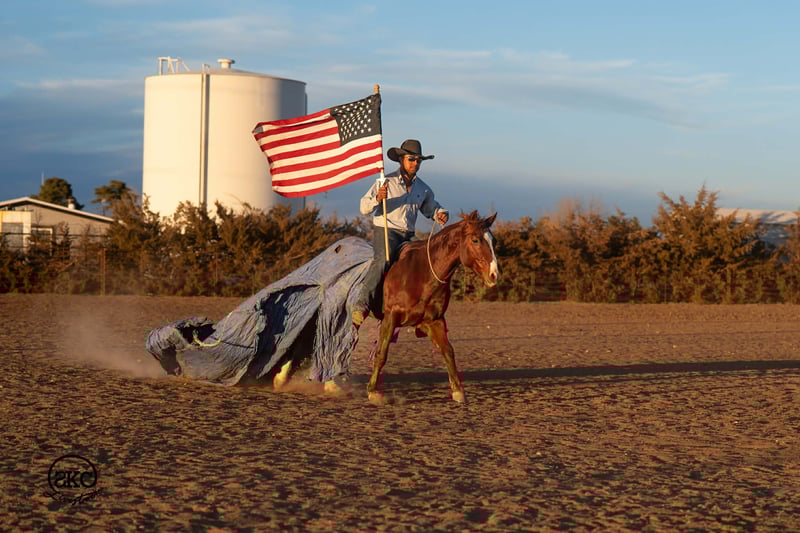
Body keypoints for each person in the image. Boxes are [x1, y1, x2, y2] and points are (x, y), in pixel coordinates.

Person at [352, 139, 449, 327]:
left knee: (426, 260)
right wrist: (378, 198)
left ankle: (423, 312)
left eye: (418, 160)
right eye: (411, 159)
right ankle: (361, 303)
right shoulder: (385, 181)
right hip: (386, 229)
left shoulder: (423, 188)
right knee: (383, 259)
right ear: (401, 160)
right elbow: (364, 207)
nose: (415, 163)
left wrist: (440, 214)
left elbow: (431, 208)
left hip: (409, 234)